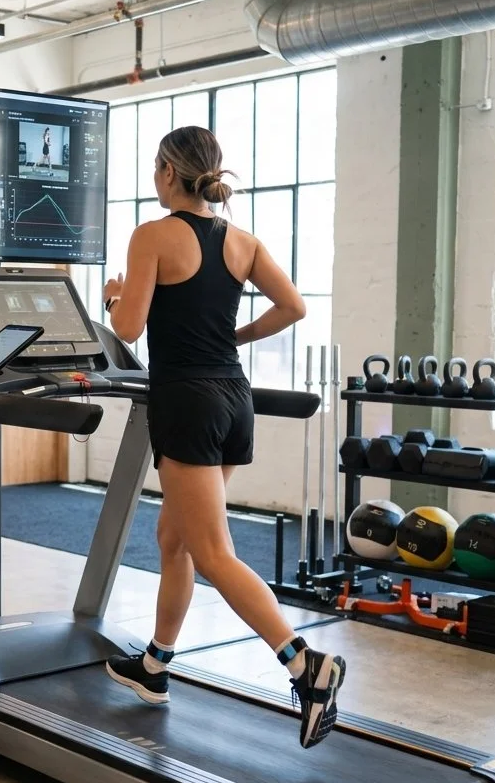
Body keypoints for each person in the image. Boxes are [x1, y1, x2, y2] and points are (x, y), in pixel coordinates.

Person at [102, 126, 345, 749]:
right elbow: (293, 306)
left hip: (185, 401)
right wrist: (232, 339)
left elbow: (128, 326)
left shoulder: (152, 236)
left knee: (212, 551)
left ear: (164, 172)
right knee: (173, 537)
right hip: (235, 399)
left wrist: (114, 298)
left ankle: (303, 663)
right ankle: (155, 667)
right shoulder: (243, 240)